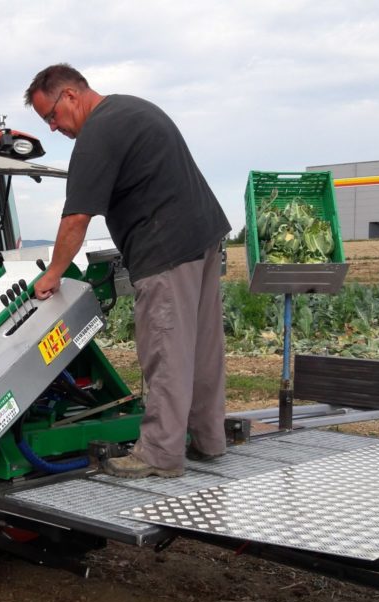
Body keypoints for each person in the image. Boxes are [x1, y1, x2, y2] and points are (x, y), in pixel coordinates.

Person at [25, 63, 230, 479]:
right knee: (203, 348)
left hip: (165, 247)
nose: (52, 127)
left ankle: (159, 453)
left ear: (69, 96)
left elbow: (76, 217)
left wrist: (53, 275)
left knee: (166, 350)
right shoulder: (132, 109)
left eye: (51, 116)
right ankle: (207, 439)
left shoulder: (98, 132)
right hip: (203, 238)